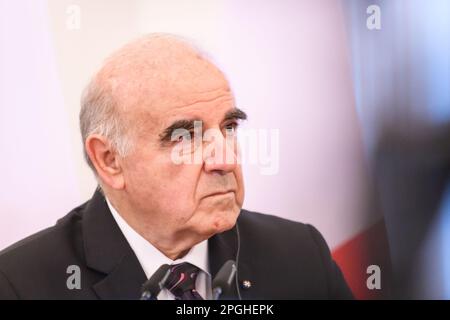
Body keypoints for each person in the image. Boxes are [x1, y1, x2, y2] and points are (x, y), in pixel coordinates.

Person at [0, 34, 353, 299]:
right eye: (186, 137)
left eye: (229, 127)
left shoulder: (300, 255)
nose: (226, 159)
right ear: (110, 161)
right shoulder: (20, 285)